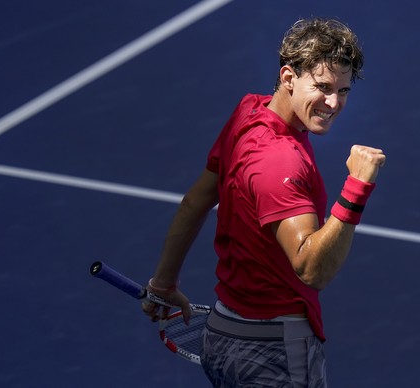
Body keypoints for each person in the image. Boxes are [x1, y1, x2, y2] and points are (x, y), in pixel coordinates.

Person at [142, 17, 386, 387]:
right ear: (288, 78)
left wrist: (162, 282)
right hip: (274, 354)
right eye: (322, 87)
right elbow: (311, 269)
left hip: (223, 336)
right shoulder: (281, 161)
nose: (334, 102)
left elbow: (194, 202)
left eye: (343, 90)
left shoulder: (248, 113)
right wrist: (356, 187)